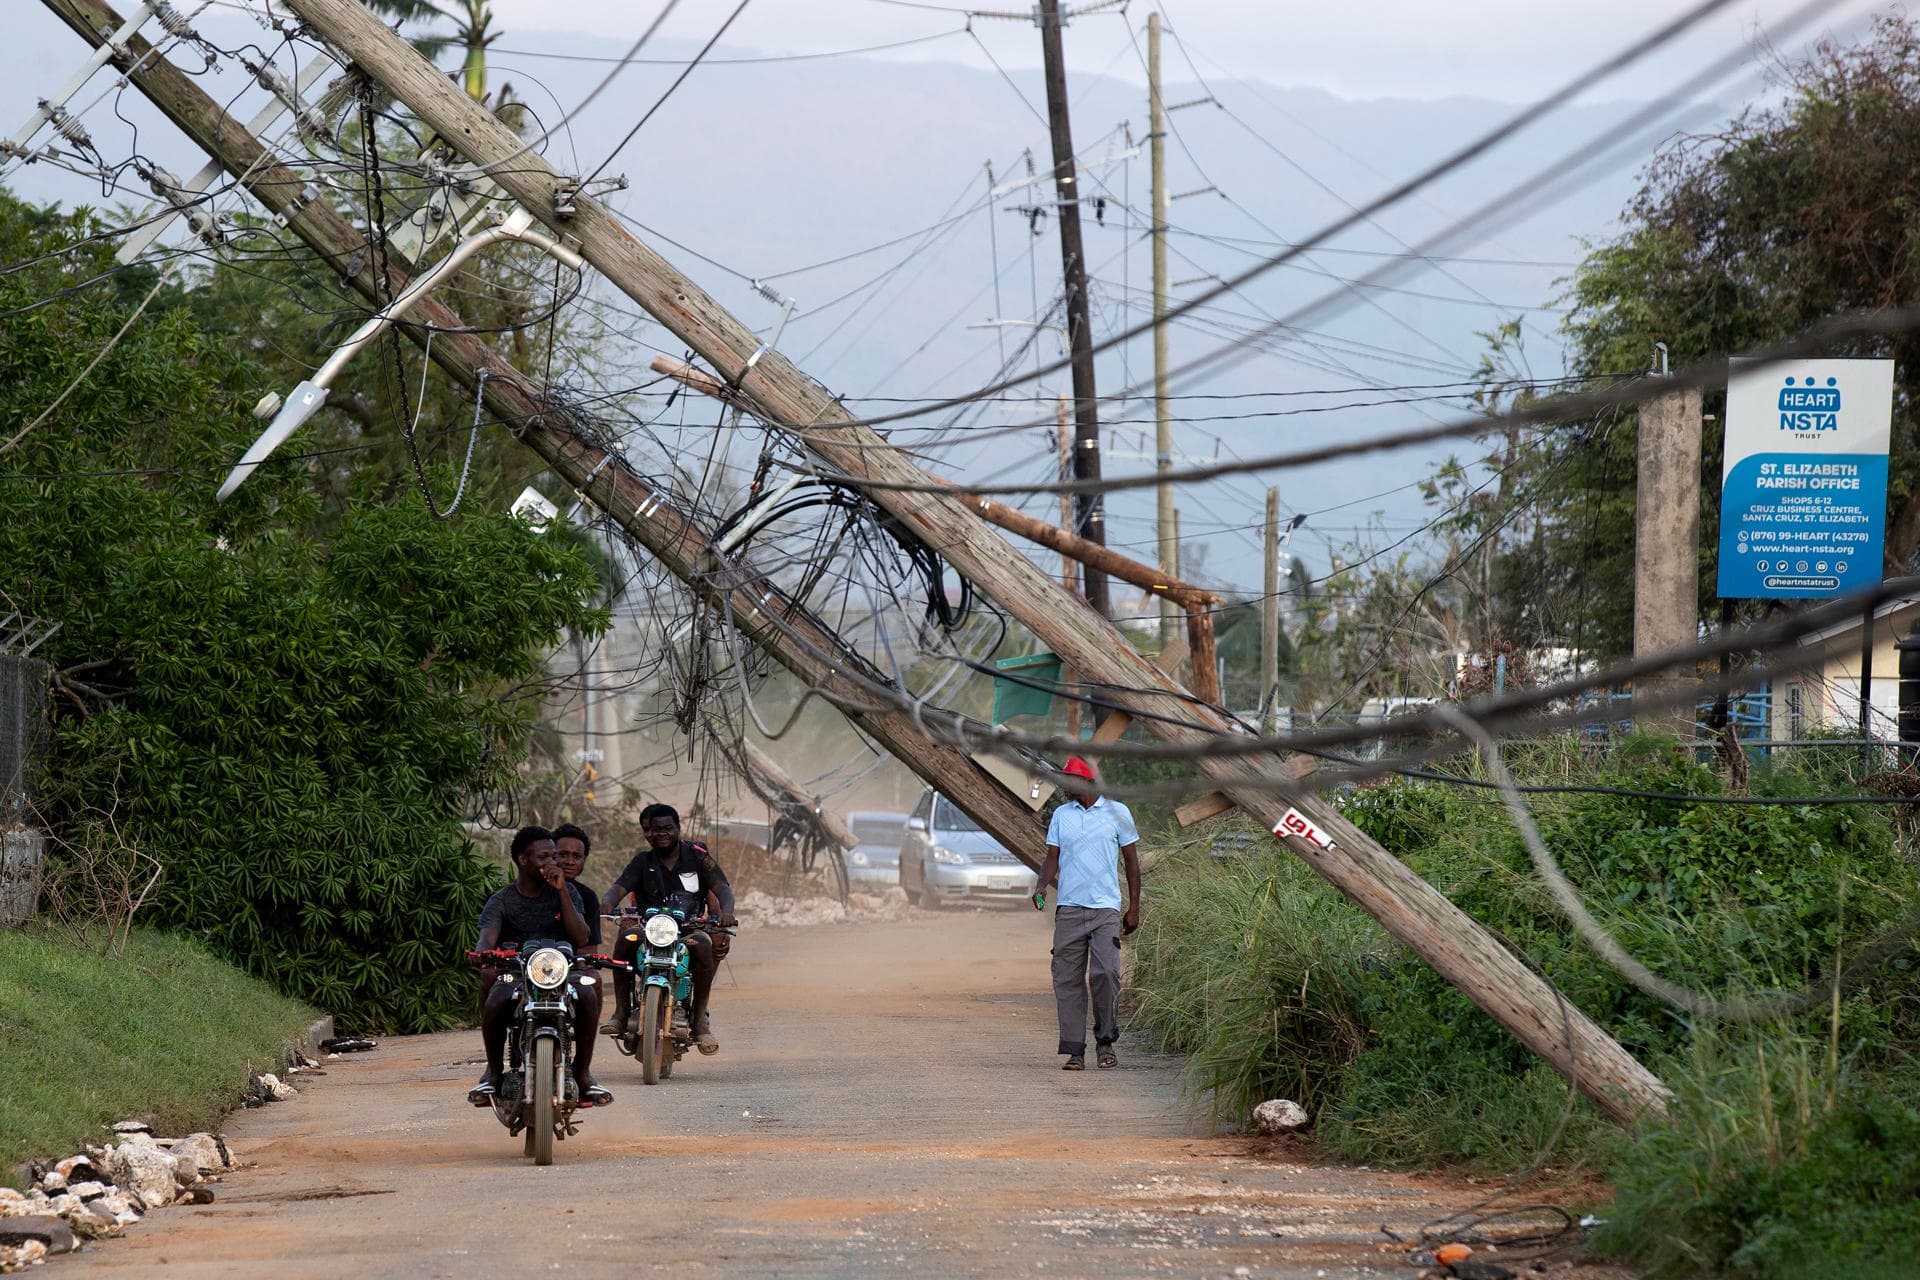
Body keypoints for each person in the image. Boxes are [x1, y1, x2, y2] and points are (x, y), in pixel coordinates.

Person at [470, 825, 612, 1107]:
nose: (553, 863)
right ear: (523, 860)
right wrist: (482, 954)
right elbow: (486, 937)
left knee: (588, 990)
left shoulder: (569, 891)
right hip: (518, 972)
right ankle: (493, 1072)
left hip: (563, 970)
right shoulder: (502, 900)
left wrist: (560, 893)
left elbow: (582, 936)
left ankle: (583, 1074)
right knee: (496, 996)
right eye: (544, 857)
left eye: (553, 857)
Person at [1032, 757, 1141, 1071]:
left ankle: (1105, 1041)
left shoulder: (1118, 813)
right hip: (1069, 908)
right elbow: (1052, 858)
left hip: (1105, 908)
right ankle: (1075, 1049)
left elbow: (1132, 862)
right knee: (1067, 978)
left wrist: (1134, 907)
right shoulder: (1061, 816)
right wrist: (1041, 886)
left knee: (1106, 973)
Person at [602, 804, 735, 1055]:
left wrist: (727, 912)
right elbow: (618, 887)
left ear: (677, 828)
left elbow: (722, 888)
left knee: (704, 945)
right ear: (648, 832)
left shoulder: (698, 857)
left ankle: (699, 1019)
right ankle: (620, 1012)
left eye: (667, 828)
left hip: (688, 929)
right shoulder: (642, 861)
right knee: (625, 939)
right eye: (655, 830)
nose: (662, 834)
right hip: (649, 928)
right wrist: (607, 904)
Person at [551, 822, 602, 949]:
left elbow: (589, 951)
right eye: (563, 855)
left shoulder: (588, 897)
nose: (570, 862)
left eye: (577, 856)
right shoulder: (532, 887)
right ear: (551, 855)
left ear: (584, 860)